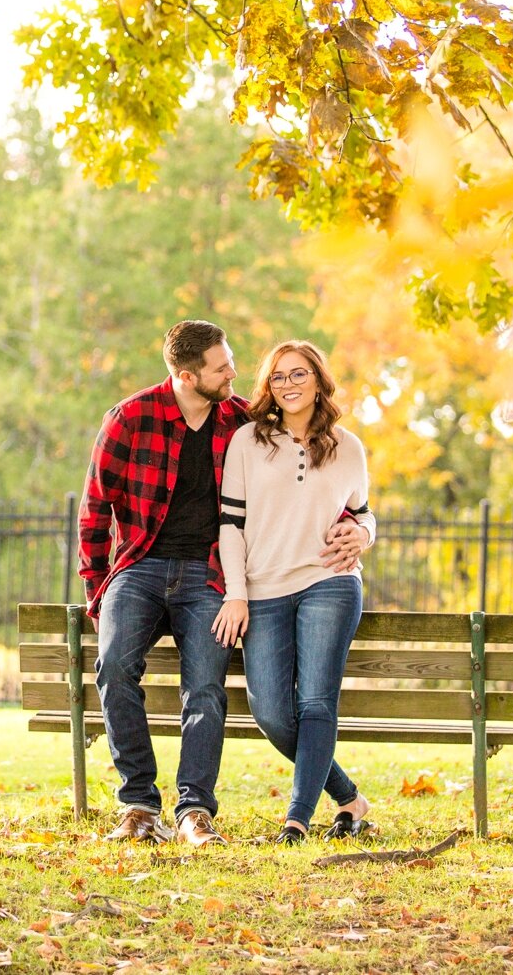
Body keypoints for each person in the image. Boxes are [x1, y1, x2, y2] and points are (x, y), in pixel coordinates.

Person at [78, 320, 246, 847]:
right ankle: (139, 804)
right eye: (222, 367)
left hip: (209, 574)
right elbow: (94, 509)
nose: (233, 373)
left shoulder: (241, 421)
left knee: (205, 689)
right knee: (115, 669)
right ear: (190, 377)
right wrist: (97, 589)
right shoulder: (131, 418)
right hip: (140, 565)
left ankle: (195, 810)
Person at [212, 339, 378, 843]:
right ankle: (349, 798)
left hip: (328, 582)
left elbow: (363, 512)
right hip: (263, 588)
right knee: (272, 711)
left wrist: (365, 535)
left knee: (316, 704)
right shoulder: (247, 442)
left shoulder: (348, 446)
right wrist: (235, 593)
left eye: (298, 374)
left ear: (318, 380)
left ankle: (297, 818)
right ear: (267, 386)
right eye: (278, 376)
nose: (288, 384)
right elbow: (230, 525)